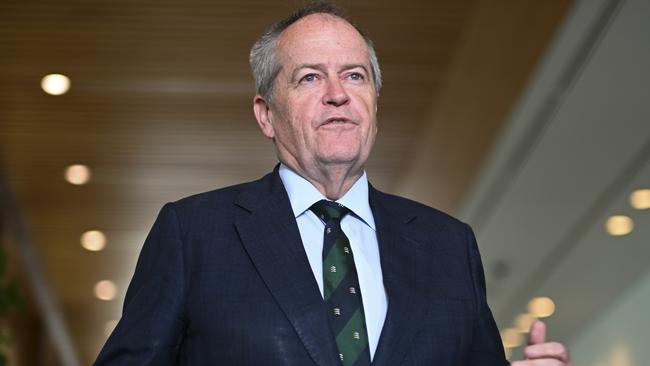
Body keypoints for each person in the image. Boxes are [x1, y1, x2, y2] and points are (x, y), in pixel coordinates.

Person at [94, 2, 571, 365]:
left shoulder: (449, 245)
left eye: (355, 76)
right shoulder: (193, 233)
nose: (338, 94)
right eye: (308, 78)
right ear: (266, 114)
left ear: (375, 104)